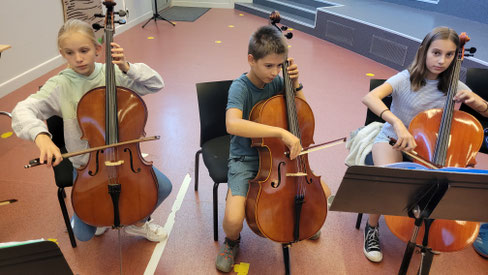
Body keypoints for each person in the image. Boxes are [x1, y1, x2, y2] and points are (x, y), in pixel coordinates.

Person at [11, 19, 172, 242]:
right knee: (83, 235)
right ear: (62, 54)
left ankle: (137, 223)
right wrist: (41, 137)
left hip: (127, 160)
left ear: (98, 49)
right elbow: (22, 110)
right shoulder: (60, 85)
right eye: (70, 53)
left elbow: (156, 84)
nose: (78, 58)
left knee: (163, 187)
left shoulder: (114, 73)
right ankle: (100, 218)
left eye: (84, 50)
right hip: (88, 165)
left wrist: (128, 67)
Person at [361, 26, 488, 263]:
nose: (442, 60)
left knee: (442, 185)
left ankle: (427, 228)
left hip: (429, 149)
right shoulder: (405, 78)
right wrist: (397, 123)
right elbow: (370, 97)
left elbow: (486, 110)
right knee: (390, 180)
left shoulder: (454, 86)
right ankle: (372, 228)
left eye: (449, 55)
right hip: (393, 139)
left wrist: (479, 103)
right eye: (436, 52)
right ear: (424, 51)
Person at [215, 25, 331, 273]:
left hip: (281, 158)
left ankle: (299, 223)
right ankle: (231, 242)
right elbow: (232, 123)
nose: (275, 72)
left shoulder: (279, 81)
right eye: (269, 66)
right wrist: (279, 132)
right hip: (245, 158)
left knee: (323, 194)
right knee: (234, 220)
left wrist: (295, 83)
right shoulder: (241, 87)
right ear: (251, 59)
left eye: (279, 66)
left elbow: (303, 116)